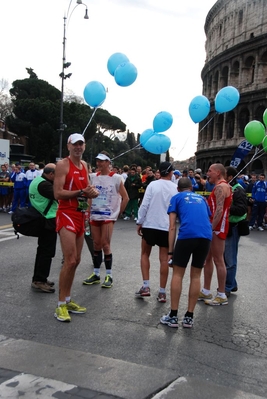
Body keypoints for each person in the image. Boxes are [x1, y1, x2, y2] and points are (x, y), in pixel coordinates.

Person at [53, 133, 99, 322]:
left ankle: (68, 299)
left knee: (77, 260)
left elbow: (88, 189)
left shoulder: (85, 165)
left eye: (81, 144)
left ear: (84, 146)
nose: (78, 147)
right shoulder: (63, 165)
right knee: (70, 260)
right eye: (75, 144)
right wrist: (81, 192)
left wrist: (91, 194)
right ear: (68, 146)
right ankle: (60, 305)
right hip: (66, 214)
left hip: (80, 216)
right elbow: (58, 193)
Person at [160, 178, 212, 328]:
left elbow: (172, 227)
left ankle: (173, 316)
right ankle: (189, 317)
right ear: (191, 187)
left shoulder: (176, 197)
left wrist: (170, 251)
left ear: (178, 189)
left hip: (187, 235)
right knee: (196, 275)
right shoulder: (202, 198)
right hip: (205, 237)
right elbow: (205, 219)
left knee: (177, 274)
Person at [82, 151, 129, 288]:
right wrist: (87, 211)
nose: (99, 163)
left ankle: (109, 275)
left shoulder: (116, 178)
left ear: (108, 162)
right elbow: (89, 196)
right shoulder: (92, 177)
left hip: (108, 216)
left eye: (102, 161)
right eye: (97, 161)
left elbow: (125, 197)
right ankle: (96, 274)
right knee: (96, 244)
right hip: (95, 215)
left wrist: (118, 213)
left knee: (105, 244)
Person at [135, 162, 177, 302]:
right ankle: (162, 292)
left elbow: (144, 204)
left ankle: (146, 286)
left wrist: (140, 221)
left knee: (145, 253)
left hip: (150, 223)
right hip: (166, 226)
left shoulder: (153, 185)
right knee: (164, 259)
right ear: (170, 172)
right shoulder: (175, 187)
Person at [199, 163, 232, 306]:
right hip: (216, 226)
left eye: (210, 171)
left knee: (218, 260)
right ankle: (206, 290)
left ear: (218, 173)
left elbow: (219, 210)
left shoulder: (220, 187)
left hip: (217, 227)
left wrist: (211, 228)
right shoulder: (223, 186)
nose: (208, 173)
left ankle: (221, 294)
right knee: (208, 258)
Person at [29, 163, 58, 293]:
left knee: (42, 251)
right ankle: (39, 280)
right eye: (57, 175)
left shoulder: (38, 180)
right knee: (46, 252)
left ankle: (39, 278)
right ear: (51, 174)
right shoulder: (45, 185)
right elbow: (59, 194)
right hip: (47, 220)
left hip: (43, 218)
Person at [224, 167, 247, 297]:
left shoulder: (238, 190)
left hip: (234, 226)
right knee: (225, 257)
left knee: (230, 258)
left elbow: (242, 209)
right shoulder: (228, 187)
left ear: (230, 176)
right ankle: (232, 283)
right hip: (227, 226)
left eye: (225, 175)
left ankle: (228, 286)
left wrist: (226, 207)